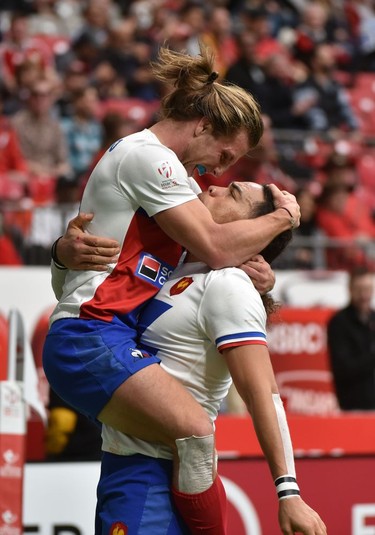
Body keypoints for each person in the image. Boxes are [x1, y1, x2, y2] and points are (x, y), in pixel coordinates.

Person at [43, 44, 300, 533]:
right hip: (91, 335)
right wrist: (285, 215)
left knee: (177, 442)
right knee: (197, 432)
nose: (221, 171)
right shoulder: (152, 159)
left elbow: (194, 262)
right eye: (225, 154)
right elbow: (217, 245)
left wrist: (265, 279)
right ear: (202, 125)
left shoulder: (174, 182)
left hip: (104, 335)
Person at [95, 182, 326, 535]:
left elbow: (262, 392)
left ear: (252, 228)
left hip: (157, 474)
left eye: (232, 194)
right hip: (122, 465)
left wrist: (288, 491)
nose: (214, 187)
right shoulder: (179, 264)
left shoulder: (228, 285)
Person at [327, 266, 375, 411]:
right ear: (350, 289)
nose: (364, 295)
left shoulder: (373, 318)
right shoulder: (339, 322)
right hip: (354, 404)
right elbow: (344, 367)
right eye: (359, 289)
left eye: (367, 289)